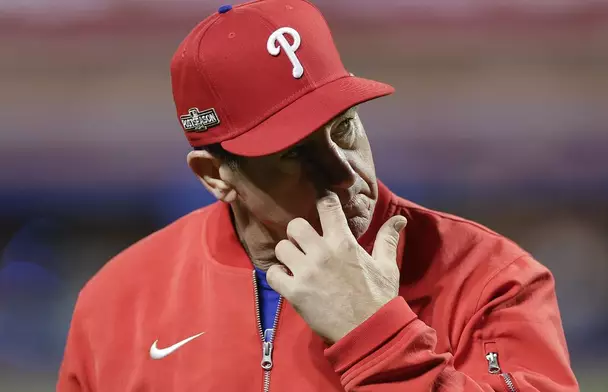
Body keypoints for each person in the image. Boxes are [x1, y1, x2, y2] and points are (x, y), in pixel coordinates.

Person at [57, 1, 579, 391]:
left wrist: (379, 338)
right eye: (295, 153)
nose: (344, 174)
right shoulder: (114, 306)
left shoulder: (490, 279)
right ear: (215, 174)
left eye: (345, 128)